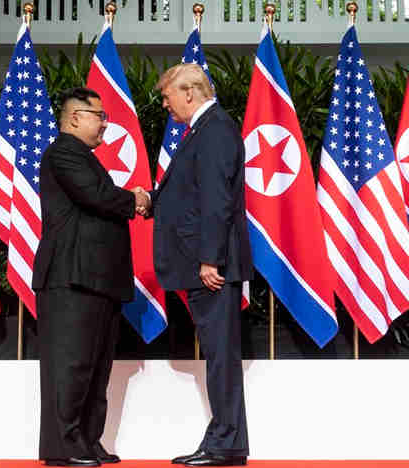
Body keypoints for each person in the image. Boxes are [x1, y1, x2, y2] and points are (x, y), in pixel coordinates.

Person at [139, 63, 252, 467]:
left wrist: (210, 259)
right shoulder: (205, 131)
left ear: (190, 92)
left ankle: (224, 444)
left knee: (221, 355)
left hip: (211, 266)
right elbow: (190, 195)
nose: (165, 103)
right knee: (220, 354)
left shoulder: (216, 130)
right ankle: (229, 442)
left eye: (168, 96)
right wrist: (151, 200)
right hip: (204, 262)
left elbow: (217, 201)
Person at [32, 87, 150, 467]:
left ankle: (87, 441)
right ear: (75, 117)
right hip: (70, 277)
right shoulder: (64, 151)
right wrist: (136, 200)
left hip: (97, 278)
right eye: (99, 116)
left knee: (95, 369)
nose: (104, 123)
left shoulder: (83, 156)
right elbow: (96, 196)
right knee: (71, 365)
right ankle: (64, 447)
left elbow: (99, 195)